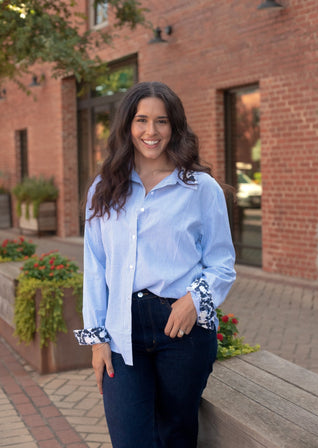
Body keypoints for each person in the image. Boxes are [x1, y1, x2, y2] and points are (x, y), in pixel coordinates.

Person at [74, 81, 236, 448]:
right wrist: (97, 338)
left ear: (174, 127)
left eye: (161, 121)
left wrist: (194, 300)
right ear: (127, 126)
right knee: (130, 439)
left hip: (181, 329)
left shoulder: (201, 188)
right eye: (141, 120)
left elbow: (222, 262)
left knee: (176, 437)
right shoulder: (104, 187)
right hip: (121, 328)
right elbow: (96, 267)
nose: (151, 131)